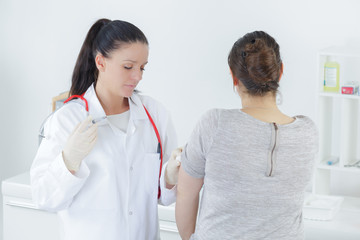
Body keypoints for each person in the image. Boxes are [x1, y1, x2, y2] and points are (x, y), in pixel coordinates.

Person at [30, 18, 182, 240]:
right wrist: (69, 161)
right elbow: (44, 198)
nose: (138, 76)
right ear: (100, 62)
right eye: (128, 67)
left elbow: (163, 196)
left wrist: (169, 176)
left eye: (142, 68)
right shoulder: (68, 119)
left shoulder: (154, 114)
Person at [175, 31, 318, 240]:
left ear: (234, 77)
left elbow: (185, 193)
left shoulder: (214, 124)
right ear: (280, 72)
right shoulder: (308, 132)